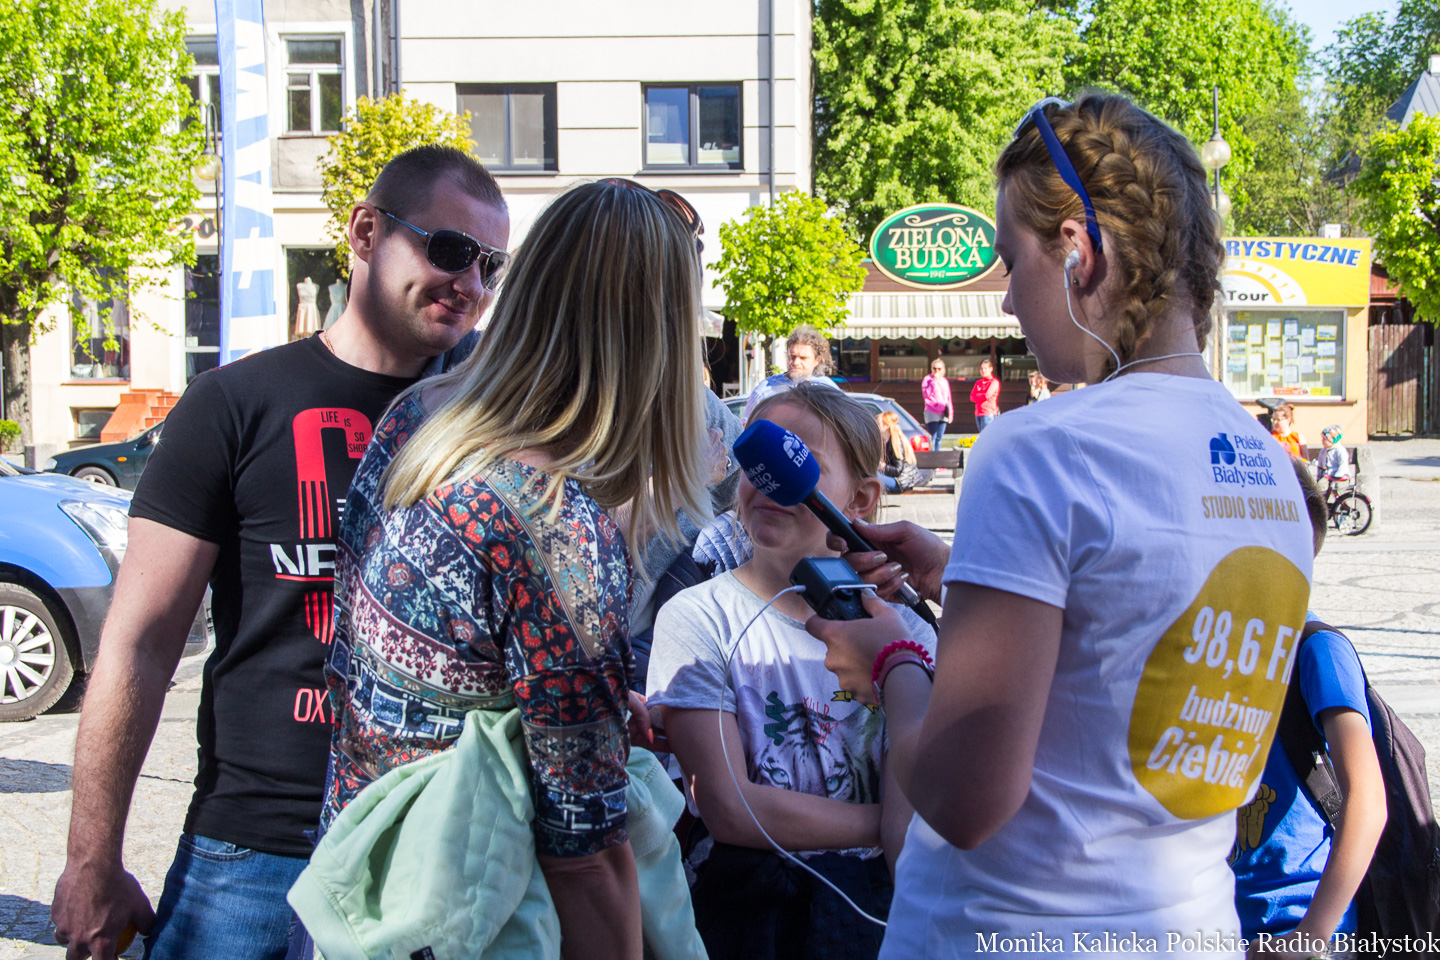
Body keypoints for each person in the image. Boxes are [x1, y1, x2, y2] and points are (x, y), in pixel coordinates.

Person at [805, 93, 1314, 955]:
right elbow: (1131, 638)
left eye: (1011, 263)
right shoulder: (1273, 471)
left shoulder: (1038, 447)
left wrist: (891, 662)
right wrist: (962, 577)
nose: (1006, 302)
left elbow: (966, 800)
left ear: (1079, 250)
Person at [51, 146, 512, 960]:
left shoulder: (497, 422)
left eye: (490, 265)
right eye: (449, 250)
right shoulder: (234, 403)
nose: (470, 283)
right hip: (255, 848)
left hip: (431, 849)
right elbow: (141, 641)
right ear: (365, 233)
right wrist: (92, 859)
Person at [322, 178, 716, 960]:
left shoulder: (422, 418)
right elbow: (586, 857)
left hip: (365, 887)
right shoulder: (552, 523)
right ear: (663, 336)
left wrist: (582, 705)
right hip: (474, 918)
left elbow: (404, 667)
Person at [647, 381, 933, 960]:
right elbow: (730, 807)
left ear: (860, 499)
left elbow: (924, 784)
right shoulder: (698, 617)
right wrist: (892, 825)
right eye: (760, 459)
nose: (768, 481)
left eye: (798, 461)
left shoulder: (908, 633)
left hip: (882, 911)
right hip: (749, 911)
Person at [1230, 458, 1385, 958]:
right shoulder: (1217, 647)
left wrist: (1309, 938)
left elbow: (1368, 802)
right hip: (1221, 920)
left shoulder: (1318, 651)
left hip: (1298, 923)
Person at [741, 324, 839, 423]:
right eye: (792, 356)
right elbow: (746, 426)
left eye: (803, 358)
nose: (795, 362)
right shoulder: (765, 390)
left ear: (817, 360)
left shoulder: (828, 388)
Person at [876, 410, 920, 494]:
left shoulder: (896, 443)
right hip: (892, 478)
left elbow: (897, 470)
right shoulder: (884, 441)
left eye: (878, 424)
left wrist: (882, 466)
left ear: (887, 426)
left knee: (872, 477)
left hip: (901, 481)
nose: (875, 426)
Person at [921, 358, 954, 448]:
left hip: (943, 412)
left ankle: (937, 454)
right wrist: (934, 382)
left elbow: (948, 397)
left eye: (939, 369)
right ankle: (932, 454)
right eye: (934, 368)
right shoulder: (927, 379)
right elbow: (926, 395)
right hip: (932, 412)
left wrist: (950, 413)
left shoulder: (944, 381)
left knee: (939, 438)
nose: (936, 371)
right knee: (932, 437)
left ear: (943, 369)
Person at [1315, 425, 1350, 492]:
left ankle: (1340, 498)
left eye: (1324, 439)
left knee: (1339, 487)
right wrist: (1320, 475)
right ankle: (1323, 498)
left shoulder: (1340, 450)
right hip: (1328, 475)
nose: (1322, 441)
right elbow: (1320, 464)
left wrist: (1337, 477)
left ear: (1332, 440)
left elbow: (1343, 464)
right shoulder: (1323, 451)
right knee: (1321, 485)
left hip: (1341, 476)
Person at [968, 357, 1000, 432]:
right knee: (981, 435)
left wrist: (977, 395)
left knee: (987, 434)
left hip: (988, 413)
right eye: (981, 369)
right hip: (978, 413)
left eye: (985, 368)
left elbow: (987, 395)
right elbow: (971, 397)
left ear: (991, 369)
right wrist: (981, 395)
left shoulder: (994, 382)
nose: (983, 371)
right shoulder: (978, 382)